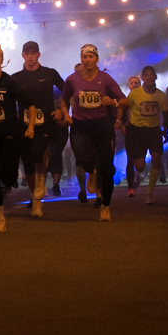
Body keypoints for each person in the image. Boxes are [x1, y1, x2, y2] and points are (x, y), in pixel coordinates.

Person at [60, 44, 126, 222]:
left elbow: (124, 101)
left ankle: (105, 206)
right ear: (81, 59)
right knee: (85, 161)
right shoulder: (72, 79)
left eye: (91, 57)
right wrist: (66, 115)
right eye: (84, 57)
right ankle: (92, 171)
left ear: (97, 59)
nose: (87, 60)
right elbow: (63, 100)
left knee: (107, 168)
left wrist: (111, 101)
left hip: (101, 125)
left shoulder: (105, 78)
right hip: (80, 125)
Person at [0, 44, 34, 232]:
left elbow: (29, 104)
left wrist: (31, 126)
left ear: (2, 61)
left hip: (10, 132)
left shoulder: (9, 82)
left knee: (9, 175)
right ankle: (0, 219)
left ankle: (9, 181)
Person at [12, 41, 66, 218]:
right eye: (27, 52)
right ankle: (35, 199)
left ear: (38, 55)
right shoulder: (16, 78)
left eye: (33, 52)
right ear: (22, 55)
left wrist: (61, 110)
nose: (30, 55)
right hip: (24, 124)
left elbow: (68, 91)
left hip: (45, 123)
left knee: (38, 155)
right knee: (27, 163)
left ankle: (42, 177)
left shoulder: (49, 73)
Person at [121, 66, 168, 205]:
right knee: (140, 166)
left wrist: (166, 130)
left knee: (156, 158)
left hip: (154, 131)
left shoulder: (161, 96)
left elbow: (167, 115)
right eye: (146, 75)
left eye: (151, 75)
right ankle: (140, 173)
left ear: (155, 77)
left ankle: (149, 193)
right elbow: (124, 107)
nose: (149, 77)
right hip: (137, 131)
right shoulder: (134, 94)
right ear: (142, 78)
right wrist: (124, 123)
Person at [120, 75, 142, 197]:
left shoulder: (145, 98)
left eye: (136, 83)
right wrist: (123, 125)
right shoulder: (125, 99)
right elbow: (122, 114)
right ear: (128, 86)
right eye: (132, 83)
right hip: (130, 131)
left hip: (142, 130)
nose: (134, 85)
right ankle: (130, 187)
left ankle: (138, 175)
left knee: (140, 160)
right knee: (130, 159)